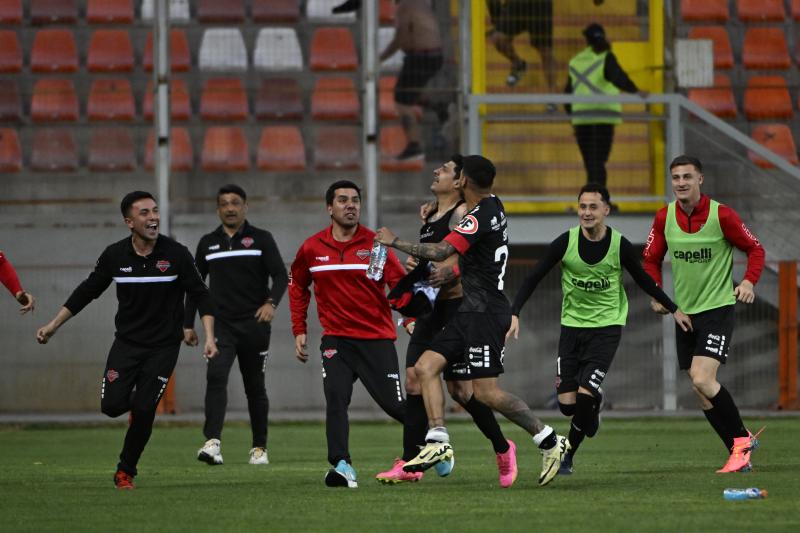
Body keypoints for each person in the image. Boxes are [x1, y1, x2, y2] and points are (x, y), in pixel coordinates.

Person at [376, 155, 570, 487]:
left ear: (463, 181)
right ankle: (438, 440)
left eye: (455, 174)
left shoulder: (480, 216)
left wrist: (394, 241)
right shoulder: (492, 204)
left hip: (485, 313)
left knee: (486, 393)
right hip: (469, 311)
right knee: (425, 368)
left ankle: (550, 440)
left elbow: (440, 253)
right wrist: (435, 210)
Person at [36, 191, 218, 490]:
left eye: (155, 211)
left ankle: (125, 471)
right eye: (144, 213)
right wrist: (54, 325)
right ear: (129, 222)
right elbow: (87, 291)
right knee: (112, 406)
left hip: (163, 347)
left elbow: (201, 295)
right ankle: (143, 404)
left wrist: (209, 336)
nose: (153, 217)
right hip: (127, 345)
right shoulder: (115, 256)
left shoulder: (176, 254)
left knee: (145, 409)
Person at [507, 183, 692, 475]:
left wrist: (673, 308)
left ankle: (568, 455)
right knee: (568, 405)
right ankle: (596, 402)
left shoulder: (620, 245)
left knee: (584, 395)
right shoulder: (564, 242)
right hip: (571, 329)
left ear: (606, 210)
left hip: (606, 329)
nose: (587, 212)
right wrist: (514, 312)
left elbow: (644, 279)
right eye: (582, 207)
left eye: (593, 207)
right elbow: (533, 276)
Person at [643, 155, 766, 473]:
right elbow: (650, 259)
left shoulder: (721, 215)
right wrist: (658, 295)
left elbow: (755, 248)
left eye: (687, 176)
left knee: (702, 377)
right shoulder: (664, 217)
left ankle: (742, 438)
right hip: (685, 314)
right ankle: (738, 454)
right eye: (675, 178)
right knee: (699, 390)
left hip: (718, 309)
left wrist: (749, 281)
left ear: (700, 180)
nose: (681, 182)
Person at [289, 180, 407, 489]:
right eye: (342, 200)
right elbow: (297, 285)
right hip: (337, 340)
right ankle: (342, 466)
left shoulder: (376, 245)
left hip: (376, 340)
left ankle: (432, 443)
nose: (350, 205)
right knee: (336, 398)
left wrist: (411, 318)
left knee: (396, 407)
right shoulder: (312, 248)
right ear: (330, 208)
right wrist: (299, 329)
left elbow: (399, 285)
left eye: (355, 200)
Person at [185, 185, 288, 467]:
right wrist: (187, 324)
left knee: (255, 387)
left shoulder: (261, 239)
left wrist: (271, 303)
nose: (230, 208)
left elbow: (281, 275)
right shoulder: (207, 243)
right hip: (221, 327)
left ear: (245, 206)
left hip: (255, 326)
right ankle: (212, 443)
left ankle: (259, 448)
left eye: (235, 203)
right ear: (218, 209)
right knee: (216, 376)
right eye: (224, 204)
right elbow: (195, 286)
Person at [565, 23, 644, 189]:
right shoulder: (606, 57)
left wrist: (572, 117)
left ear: (586, 40)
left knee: (591, 163)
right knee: (598, 162)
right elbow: (618, 78)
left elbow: (568, 93)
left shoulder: (575, 61)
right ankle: (598, 201)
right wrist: (636, 91)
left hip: (582, 120)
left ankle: (594, 200)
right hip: (604, 117)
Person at [380, 0, 444, 161]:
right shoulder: (420, 4)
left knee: (402, 102)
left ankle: (414, 144)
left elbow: (400, 37)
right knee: (411, 91)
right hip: (433, 56)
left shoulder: (405, 7)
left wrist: (380, 58)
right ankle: (440, 107)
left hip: (420, 57)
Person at [488, 0, 556, 91]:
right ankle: (518, 64)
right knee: (498, 38)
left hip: (540, 5)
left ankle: (552, 96)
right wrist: (496, 15)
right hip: (518, 3)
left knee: (546, 51)